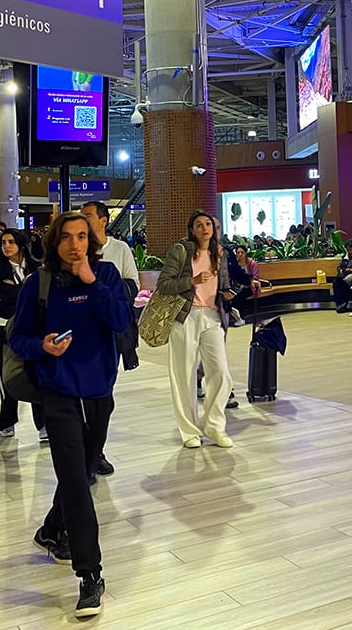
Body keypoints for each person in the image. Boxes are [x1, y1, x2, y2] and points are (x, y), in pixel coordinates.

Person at [9, 212, 131, 618]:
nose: (75, 244)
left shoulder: (108, 276)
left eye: (82, 236)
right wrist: (42, 345)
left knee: (84, 472)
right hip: (58, 393)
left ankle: (50, 529)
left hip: (99, 392)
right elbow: (17, 338)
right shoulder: (38, 284)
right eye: (66, 237)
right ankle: (90, 575)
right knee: (76, 481)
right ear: (54, 242)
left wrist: (92, 283)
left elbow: (120, 321)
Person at [157, 210, 237, 449]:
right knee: (183, 374)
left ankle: (214, 425)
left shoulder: (220, 253)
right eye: (199, 224)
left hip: (212, 316)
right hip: (185, 317)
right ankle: (189, 431)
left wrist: (227, 292)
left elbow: (223, 284)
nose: (205, 228)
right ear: (192, 229)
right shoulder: (180, 251)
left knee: (221, 373)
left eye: (208, 224)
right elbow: (164, 284)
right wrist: (191, 281)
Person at [79, 201, 139, 479]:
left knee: (103, 397)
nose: (83, 221)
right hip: (81, 332)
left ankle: (95, 452)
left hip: (111, 333)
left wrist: (103, 287)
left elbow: (132, 286)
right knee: (83, 398)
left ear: (103, 220)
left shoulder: (119, 249)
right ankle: (87, 456)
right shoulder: (77, 250)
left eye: (88, 216)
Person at [0, 228, 45, 440]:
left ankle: (43, 425)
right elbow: (5, 294)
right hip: (3, 328)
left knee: (36, 374)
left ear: (20, 244)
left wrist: (19, 289)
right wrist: (26, 290)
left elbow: (41, 294)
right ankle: (7, 421)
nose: (6, 246)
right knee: (7, 377)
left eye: (10, 242)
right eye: (3, 242)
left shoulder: (35, 267)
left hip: (32, 329)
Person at [225, 243, 261, 324]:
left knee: (239, 296)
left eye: (242, 252)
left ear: (245, 253)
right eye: (238, 253)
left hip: (251, 287)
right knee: (232, 294)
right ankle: (235, 314)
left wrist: (245, 284)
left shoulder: (252, 263)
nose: (240, 254)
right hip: (237, 286)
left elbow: (255, 277)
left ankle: (241, 318)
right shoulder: (234, 264)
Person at [332, 240, 352, 312]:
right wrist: (340, 270)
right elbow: (339, 266)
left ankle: (343, 303)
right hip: (344, 274)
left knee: (345, 283)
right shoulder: (345, 257)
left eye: (350, 250)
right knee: (335, 282)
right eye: (348, 250)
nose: (349, 251)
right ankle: (339, 303)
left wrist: (351, 270)